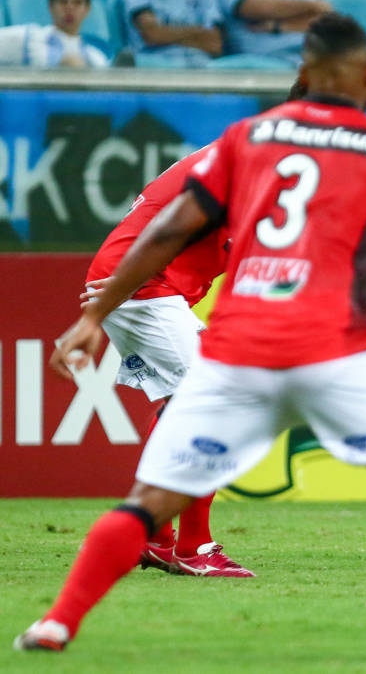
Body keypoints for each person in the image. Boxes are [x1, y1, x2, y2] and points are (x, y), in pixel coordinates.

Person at [15, 13, 366, 655]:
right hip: (335, 344)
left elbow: (167, 228)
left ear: (303, 72)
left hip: (240, 344)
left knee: (149, 496)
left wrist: (93, 315)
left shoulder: (247, 140)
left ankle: (58, 621)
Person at [81, 146, 253, 578]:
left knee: (185, 407)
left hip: (139, 285)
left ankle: (156, 538)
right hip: (141, 286)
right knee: (213, 405)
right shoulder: (249, 161)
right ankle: (193, 548)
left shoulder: (240, 155)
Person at [217, 0, 366, 70]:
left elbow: (324, 14)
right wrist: (310, 7)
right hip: (275, 54)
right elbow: (251, 7)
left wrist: (279, 25)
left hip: (323, 43)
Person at [0, 0, 109, 68]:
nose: (70, 7)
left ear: (87, 9)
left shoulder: (96, 58)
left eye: (77, 2)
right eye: (63, 1)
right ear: (51, 5)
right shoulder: (28, 39)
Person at [123, 0, 223, 68]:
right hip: (152, 68)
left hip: (201, 67)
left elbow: (214, 43)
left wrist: (165, 33)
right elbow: (151, 34)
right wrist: (197, 35)